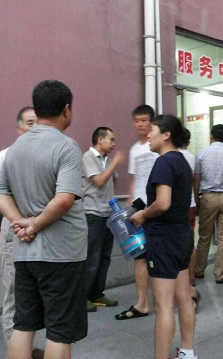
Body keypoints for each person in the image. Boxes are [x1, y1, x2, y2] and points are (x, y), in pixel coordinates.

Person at [0, 80, 87, 359]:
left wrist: (19, 222)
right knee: (59, 332)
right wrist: (34, 224)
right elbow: (64, 199)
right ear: (67, 110)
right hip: (61, 254)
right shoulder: (67, 146)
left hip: (25, 253)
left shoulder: (15, 148)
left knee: (24, 325)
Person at [130, 115, 196, 359]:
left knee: (164, 306)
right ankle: (187, 352)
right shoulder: (182, 160)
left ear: (166, 135)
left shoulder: (163, 162)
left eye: (153, 130)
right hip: (182, 236)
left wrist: (143, 214)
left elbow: (163, 203)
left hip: (164, 240)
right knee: (184, 297)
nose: (148, 135)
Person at [0, 106, 41, 355]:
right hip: (15, 228)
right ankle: (16, 350)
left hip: (41, 229)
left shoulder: (45, 154)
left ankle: (27, 347)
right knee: (14, 292)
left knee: (33, 293)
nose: (35, 127)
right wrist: (1, 232)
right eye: (29, 123)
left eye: (38, 122)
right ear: (18, 128)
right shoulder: (6, 155)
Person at [115, 105, 158, 320]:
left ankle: (187, 293)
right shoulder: (134, 150)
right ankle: (142, 303)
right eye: (137, 120)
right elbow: (133, 180)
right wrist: (129, 208)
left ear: (152, 121)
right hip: (139, 208)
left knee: (163, 254)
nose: (140, 124)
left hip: (158, 206)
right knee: (139, 256)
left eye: (144, 120)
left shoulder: (157, 144)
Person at [82, 127, 124, 312]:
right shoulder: (87, 157)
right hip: (93, 214)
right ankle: (83, 297)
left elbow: (113, 180)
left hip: (108, 215)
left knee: (105, 257)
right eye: (111, 140)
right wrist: (115, 163)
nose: (114, 144)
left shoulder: (108, 160)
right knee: (92, 257)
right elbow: (99, 181)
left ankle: (97, 294)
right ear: (100, 140)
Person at [194, 124, 223, 284]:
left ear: (211, 136)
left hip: (207, 197)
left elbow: (196, 180)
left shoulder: (202, 154)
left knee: (204, 236)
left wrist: (197, 199)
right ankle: (220, 274)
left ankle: (199, 270)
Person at [179, 128, 200, 305]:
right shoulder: (192, 157)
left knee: (177, 243)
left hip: (178, 206)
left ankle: (180, 278)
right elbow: (195, 181)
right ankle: (191, 277)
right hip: (191, 204)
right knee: (190, 242)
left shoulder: (171, 157)